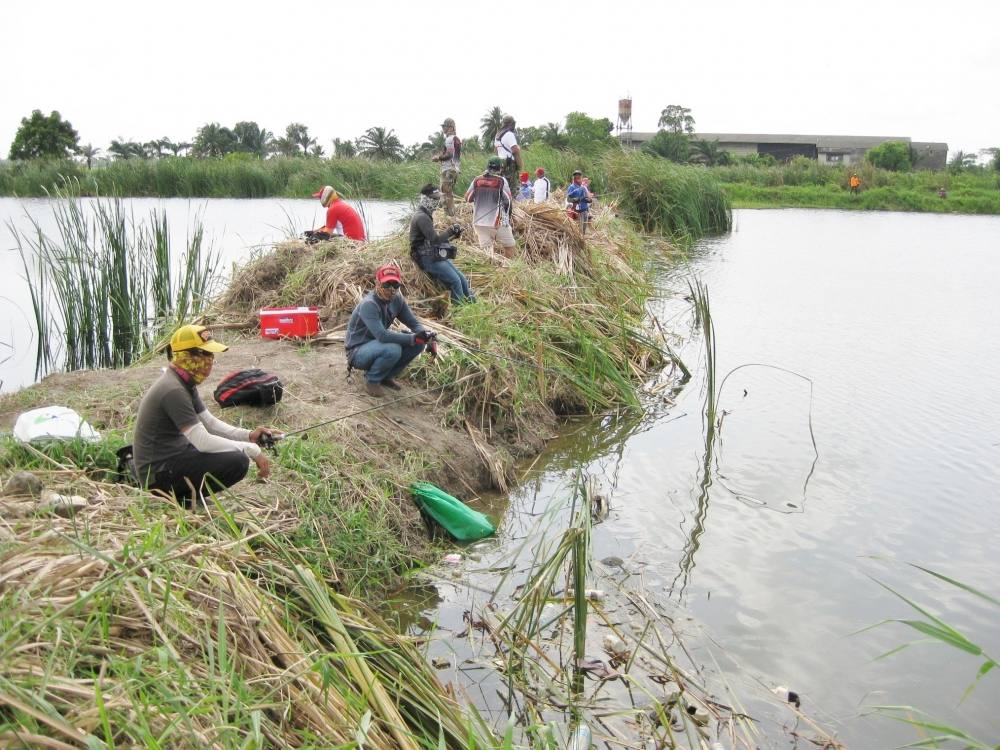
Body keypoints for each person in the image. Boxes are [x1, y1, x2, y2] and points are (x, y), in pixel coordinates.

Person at [133, 324, 279, 504]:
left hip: (173, 458)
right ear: (186, 356)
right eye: (205, 354)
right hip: (157, 476)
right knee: (237, 461)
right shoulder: (173, 390)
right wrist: (252, 450)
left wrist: (248, 436)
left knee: (231, 453)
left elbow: (209, 423)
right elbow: (202, 441)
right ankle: (180, 498)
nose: (210, 360)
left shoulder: (184, 382)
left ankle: (188, 495)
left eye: (211, 355)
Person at [344, 264, 436, 398]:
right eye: (387, 285)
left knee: (419, 344)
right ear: (377, 283)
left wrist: (426, 336)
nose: (391, 290)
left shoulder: (397, 300)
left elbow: (413, 323)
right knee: (393, 349)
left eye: (395, 285)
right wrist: (413, 338)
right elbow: (382, 336)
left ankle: (386, 376)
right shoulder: (369, 304)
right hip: (358, 351)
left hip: (377, 345)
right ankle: (372, 380)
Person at [410, 184, 475, 303]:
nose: (437, 201)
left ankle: (473, 306)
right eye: (434, 199)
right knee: (455, 281)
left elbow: (433, 240)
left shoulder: (426, 214)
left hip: (433, 254)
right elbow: (435, 240)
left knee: (462, 279)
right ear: (425, 199)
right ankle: (460, 310)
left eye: (437, 198)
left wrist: (453, 235)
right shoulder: (421, 217)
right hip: (425, 258)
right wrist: (450, 231)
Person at [465, 156, 516, 259]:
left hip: (479, 222)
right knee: (509, 246)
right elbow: (508, 201)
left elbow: (468, 198)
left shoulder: (477, 180)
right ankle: (505, 271)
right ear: (500, 168)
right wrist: (508, 218)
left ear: (487, 166)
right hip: (497, 222)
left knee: (487, 254)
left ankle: (492, 271)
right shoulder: (501, 181)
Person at [430, 118, 462, 216]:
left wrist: (438, 158)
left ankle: (450, 216)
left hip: (449, 169)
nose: (443, 128)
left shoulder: (450, 138)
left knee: (446, 193)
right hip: (453, 169)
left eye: (445, 126)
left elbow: (449, 154)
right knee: (447, 193)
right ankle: (451, 215)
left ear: (450, 127)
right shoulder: (454, 138)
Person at [493, 114, 523, 193]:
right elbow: (515, 150)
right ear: (511, 124)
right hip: (509, 164)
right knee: (511, 187)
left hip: (500, 163)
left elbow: (496, 151)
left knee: (502, 186)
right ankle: (510, 203)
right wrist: (520, 164)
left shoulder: (497, 136)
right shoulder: (509, 134)